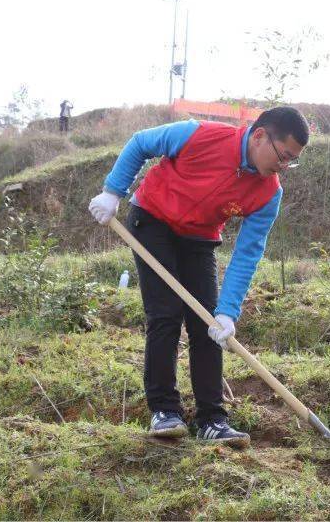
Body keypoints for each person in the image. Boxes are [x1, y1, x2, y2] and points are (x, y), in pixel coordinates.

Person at [88, 107, 308, 444]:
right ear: (260, 135)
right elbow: (140, 143)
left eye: (292, 161)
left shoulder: (268, 193)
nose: (284, 167)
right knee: (165, 314)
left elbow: (248, 252)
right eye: (283, 156)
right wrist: (113, 191)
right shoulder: (200, 134)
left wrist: (228, 311)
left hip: (200, 239)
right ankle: (164, 411)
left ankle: (212, 420)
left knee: (209, 324)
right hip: (153, 222)